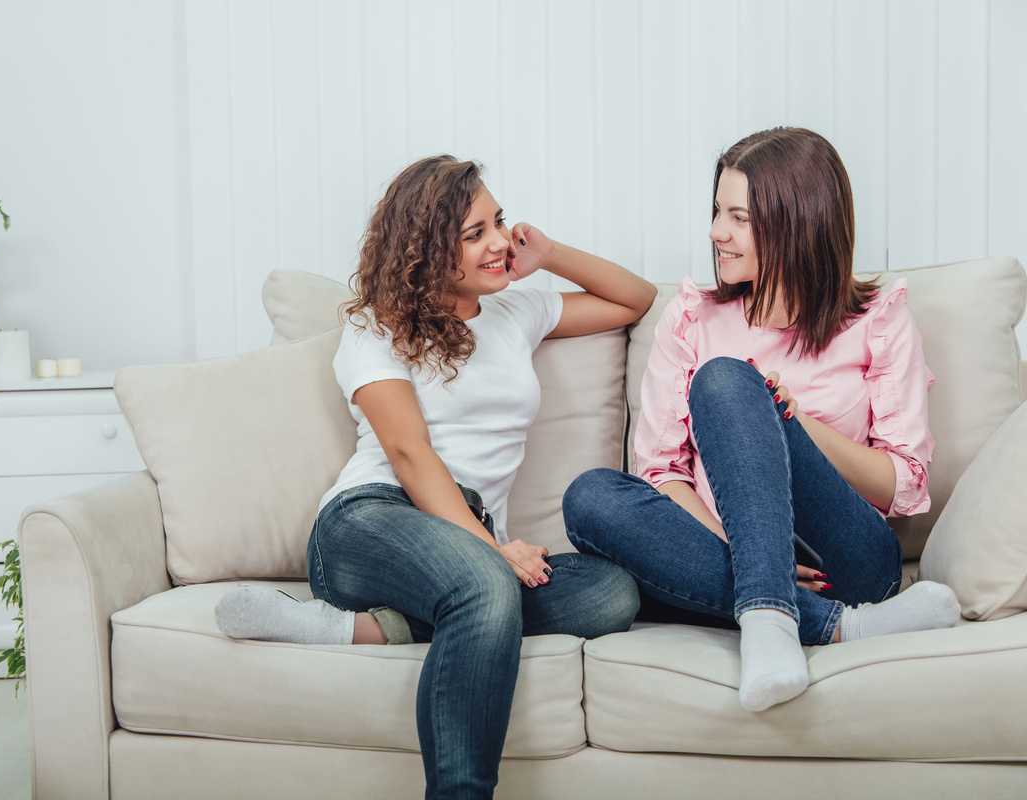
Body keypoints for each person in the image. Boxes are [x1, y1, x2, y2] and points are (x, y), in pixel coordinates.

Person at [216, 155, 657, 799]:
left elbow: (635, 299)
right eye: (475, 232)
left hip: (465, 537)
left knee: (611, 592)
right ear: (426, 249)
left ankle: (360, 629)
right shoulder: (374, 328)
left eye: (499, 222)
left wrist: (550, 254)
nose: (500, 241)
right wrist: (494, 552)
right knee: (486, 585)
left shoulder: (517, 314)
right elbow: (409, 454)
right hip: (368, 521)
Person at [563, 127, 961, 714]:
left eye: (738, 217)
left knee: (727, 380)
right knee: (589, 496)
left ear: (799, 223)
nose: (715, 232)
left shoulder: (879, 320)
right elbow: (662, 473)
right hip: (724, 550)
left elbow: (905, 485)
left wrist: (794, 419)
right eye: (716, 211)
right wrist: (750, 555)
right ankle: (818, 624)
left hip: (842, 559)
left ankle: (781, 613)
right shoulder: (692, 318)